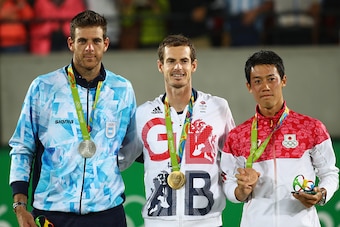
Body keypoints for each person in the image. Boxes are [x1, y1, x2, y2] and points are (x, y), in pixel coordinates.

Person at [9, 10, 139, 227]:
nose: (89, 48)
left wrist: (105, 166)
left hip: (107, 212)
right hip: (53, 212)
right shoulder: (44, 87)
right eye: (82, 41)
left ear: (106, 44)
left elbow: (132, 143)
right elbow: (22, 147)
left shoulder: (122, 89)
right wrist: (20, 205)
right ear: (71, 43)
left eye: (96, 41)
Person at [221, 50, 339, 227]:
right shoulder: (237, 136)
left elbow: (329, 173)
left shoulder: (311, 128)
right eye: (257, 81)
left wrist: (321, 194)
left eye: (271, 79)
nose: (265, 86)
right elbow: (228, 183)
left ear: (283, 80)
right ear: (249, 86)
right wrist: (240, 191)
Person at [134, 34, 235, 227]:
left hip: (208, 222)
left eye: (184, 61)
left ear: (193, 66)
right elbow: (127, 156)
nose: (178, 67)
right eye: (171, 61)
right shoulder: (143, 114)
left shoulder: (218, 107)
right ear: (160, 66)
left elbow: (235, 156)